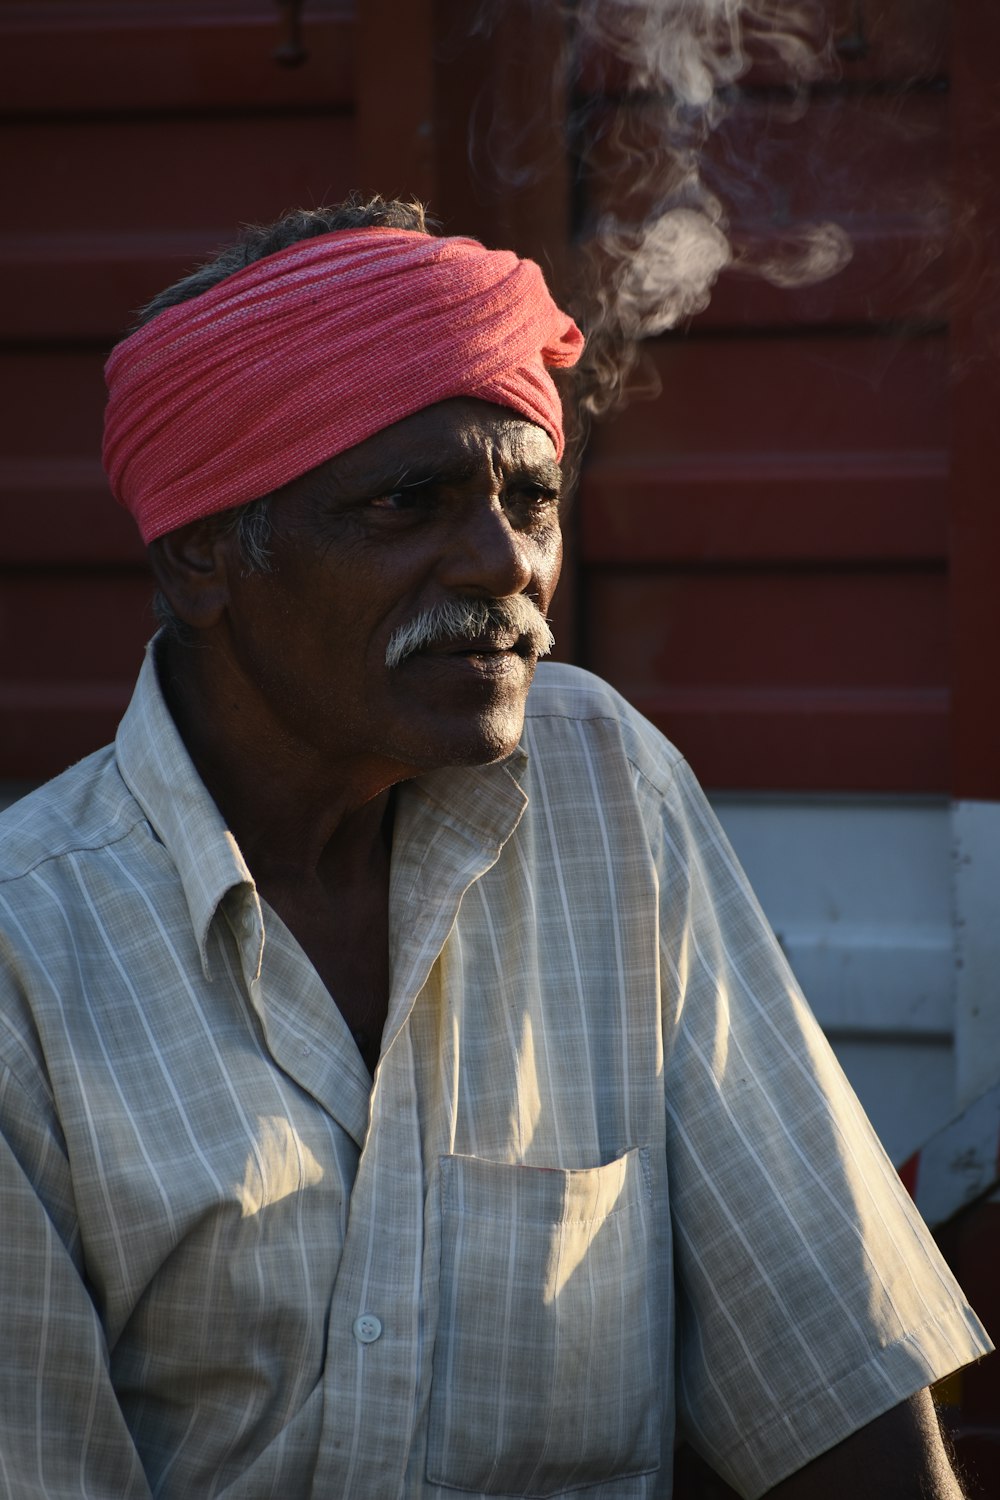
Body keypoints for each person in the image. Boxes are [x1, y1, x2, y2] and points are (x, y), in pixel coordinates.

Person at [0, 194, 990, 1500]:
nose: (503, 563)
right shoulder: (28, 954)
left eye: (532, 499)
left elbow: (833, 1372)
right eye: (408, 504)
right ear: (199, 557)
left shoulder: (604, 787)